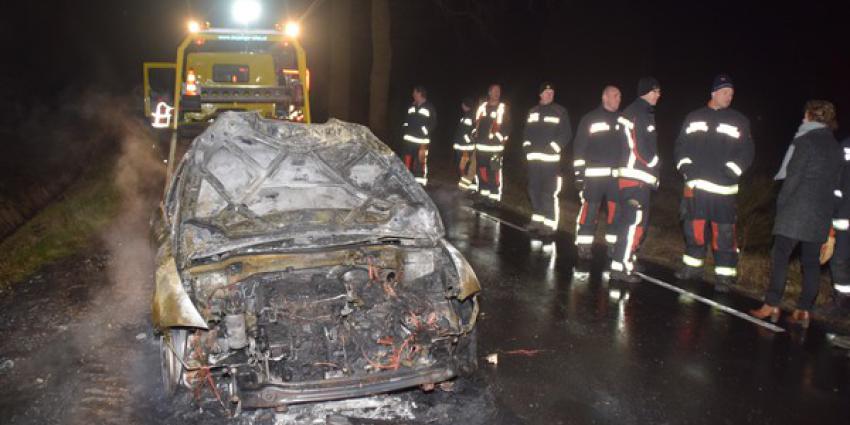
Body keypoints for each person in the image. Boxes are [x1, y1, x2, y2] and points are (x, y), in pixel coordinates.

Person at [750, 100, 841, 327]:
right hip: (821, 214)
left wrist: (781, 206)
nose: (802, 119)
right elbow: (837, 185)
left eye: (805, 115)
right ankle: (804, 310)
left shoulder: (805, 141)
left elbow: (793, 178)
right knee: (810, 263)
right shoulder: (836, 148)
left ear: (812, 116)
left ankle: (771, 304)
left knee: (780, 256)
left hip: (796, 210)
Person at [673, 74, 754, 292]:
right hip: (696, 188)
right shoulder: (694, 117)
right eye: (726, 92)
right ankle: (692, 268)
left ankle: (724, 276)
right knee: (694, 231)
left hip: (724, 191)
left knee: (724, 235)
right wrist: (685, 167)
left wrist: (732, 171)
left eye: (732, 94)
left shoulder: (740, 120)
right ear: (714, 93)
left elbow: (747, 152)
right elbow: (680, 146)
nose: (729, 97)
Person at [609, 78, 662, 283]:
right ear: (647, 92)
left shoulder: (640, 112)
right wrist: (655, 163)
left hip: (635, 177)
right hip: (636, 178)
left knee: (631, 222)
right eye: (656, 91)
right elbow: (639, 147)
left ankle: (624, 260)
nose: (659, 95)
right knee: (632, 222)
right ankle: (622, 266)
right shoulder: (638, 113)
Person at [573, 85, 623, 259]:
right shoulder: (590, 119)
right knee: (590, 213)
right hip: (594, 177)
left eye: (619, 96)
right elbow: (579, 148)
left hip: (616, 178)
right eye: (615, 96)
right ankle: (584, 245)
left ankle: (613, 247)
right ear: (605, 97)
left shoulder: (623, 120)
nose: (618, 99)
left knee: (615, 214)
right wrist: (579, 174)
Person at [521, 82, 572, 236]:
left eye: (552, 92)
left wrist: (553, 147)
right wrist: (527, 147)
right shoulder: (532, 111)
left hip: (550, 162)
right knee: (534, 190)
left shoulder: (560, 111)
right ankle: (537, 220)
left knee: (548, 192)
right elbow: (526, 133)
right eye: (546, 92)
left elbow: (566, 134)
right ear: (540, 94)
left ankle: (549, 224)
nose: (550, 94)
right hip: (534, 161)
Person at [472, 84, 511, 203]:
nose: (497, 93)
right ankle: (484, 193)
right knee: (482, 170)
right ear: (489, 93)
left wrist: (499, 137)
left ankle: (494, 197)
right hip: (481, 147)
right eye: (494, 91)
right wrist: (474, 134)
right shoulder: (482, 106)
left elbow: (508, 126)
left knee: (494, 171)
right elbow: (476, 122)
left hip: (495, 148)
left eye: (499, 91)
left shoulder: (503, 108)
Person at [400, 85, 437, 186]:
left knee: (420, 162)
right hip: (409, 139)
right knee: (407, 159)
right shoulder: (411, 106)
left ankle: (420, 184)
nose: (413, 94)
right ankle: (406, 180)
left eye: (414, 92)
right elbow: (406, 120)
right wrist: (405, 129)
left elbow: (433, 122)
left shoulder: (429, 107)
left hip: (422, 141)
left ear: (420, 93)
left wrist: (424, 131)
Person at [452, 97, 478, 191]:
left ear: (465, 105)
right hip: (463, 147)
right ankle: (469, 187)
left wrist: (466, 143)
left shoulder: (469, 117)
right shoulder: (467, 116)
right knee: (463, 168)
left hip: (465, 148)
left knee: (462, 168)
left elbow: (468, 133)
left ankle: (466, 188)